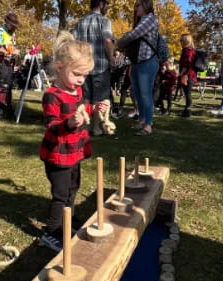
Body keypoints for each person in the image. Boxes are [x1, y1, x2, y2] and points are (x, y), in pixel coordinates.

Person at [39, 32, 107, 251]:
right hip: (58, 154)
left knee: (73, 188)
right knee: (60, 194)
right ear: (59, 67)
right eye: (77, 74)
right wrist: (69, 123)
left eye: (84, 76)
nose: (81, 80)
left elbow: (80, 109)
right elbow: (51, 125)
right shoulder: (52, 95)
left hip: (74, 151)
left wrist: (93, 109)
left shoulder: (76, 90)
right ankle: (52, 232)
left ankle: (67, 222)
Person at [117, 0, 159, 136]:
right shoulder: (141, 21)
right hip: (137, 63)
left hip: (147, 62)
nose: (136, 9)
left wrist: (118, 43)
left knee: (146, 94)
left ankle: (148, 125)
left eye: (138, 5)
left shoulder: (150, 19)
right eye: (135, 6)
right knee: (137, 93)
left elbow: (132, 35)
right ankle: (142, 120)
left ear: (146, 5)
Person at [72, 0, 114, 136]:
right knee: (100, 98)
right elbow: (107, 41)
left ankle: (85, 125)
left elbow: (73, 42)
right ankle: (96, 128)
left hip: (84, 66)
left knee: (85, 98)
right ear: (101, 4)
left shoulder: (80, 22)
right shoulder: (105, 21)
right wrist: (112, 58)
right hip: (100, 65)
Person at [0, 13, 20, 87]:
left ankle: (7, 98)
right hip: (0, 61)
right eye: (11, 24)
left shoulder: (13, 34)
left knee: (9, 82)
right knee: (2, 82)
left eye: (14, 25)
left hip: (9, 62)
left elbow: (12, 47)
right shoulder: (0, 31)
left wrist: (16, 51)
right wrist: (8, 52)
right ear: (7, 22)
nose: (13, 26)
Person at [178, 34, 197, 117]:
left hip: (187, 75)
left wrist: (182, 74)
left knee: (187, 93)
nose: (180, 42)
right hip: (189, 75)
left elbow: (188, 64)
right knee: (187, 93)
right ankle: (186, 110)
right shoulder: (191, 50)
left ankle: (187, 111)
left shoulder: (187, 51)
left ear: (186, 41)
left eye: (181, 40)